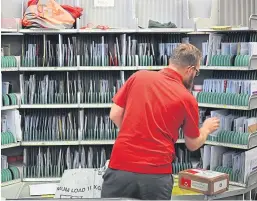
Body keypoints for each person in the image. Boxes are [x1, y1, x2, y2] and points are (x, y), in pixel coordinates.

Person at [101, 44, 220, 200]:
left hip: (120, 168)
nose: (195, 76)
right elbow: (192, 144)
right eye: (197, 72)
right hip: (155, 175)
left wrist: (137, 132)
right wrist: (206, 129)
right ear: (190, 70)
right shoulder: (187, 98)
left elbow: (115, 114)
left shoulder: (139, 77)